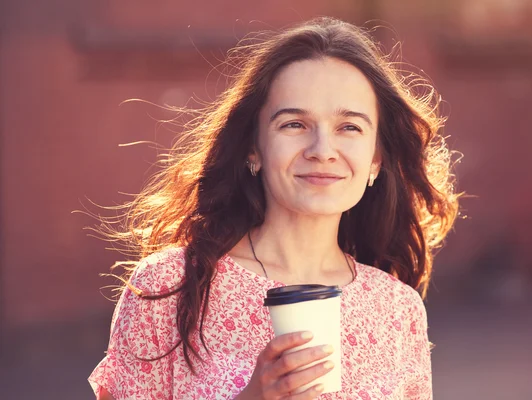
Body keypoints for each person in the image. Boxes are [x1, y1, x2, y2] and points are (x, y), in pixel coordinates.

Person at [89, 16, 460, 400]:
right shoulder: (169, 288)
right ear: (254, 147)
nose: (322, 150)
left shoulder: (398, 310)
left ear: (376, 160)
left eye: (349, 127)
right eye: (294, 124)